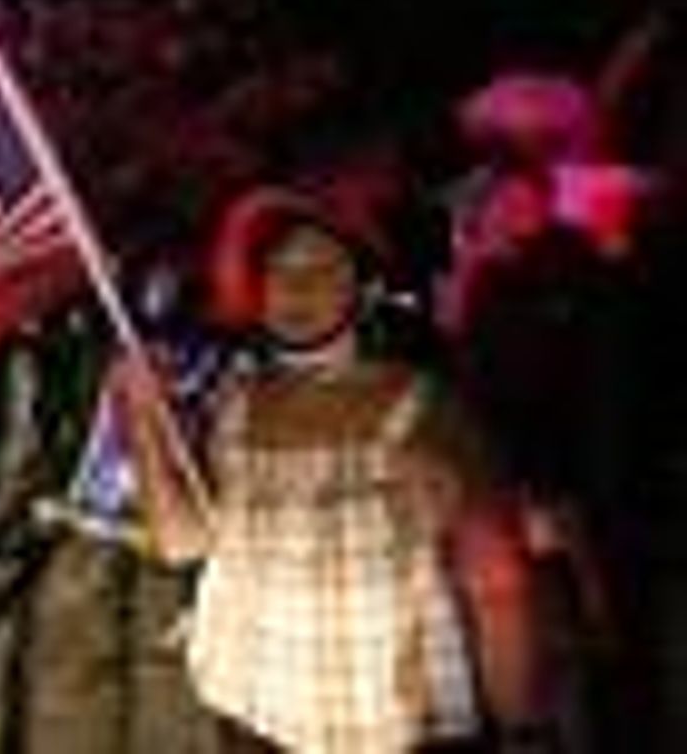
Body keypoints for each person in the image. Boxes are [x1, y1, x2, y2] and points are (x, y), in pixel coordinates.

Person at [112, 188, 495, 753]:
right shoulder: (233, 405)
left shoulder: (417, 403)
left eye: (322, 265)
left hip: (376, 727)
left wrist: (523, 724)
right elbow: (183, 543)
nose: (297, 286)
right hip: (250, 711)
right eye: (277, 270)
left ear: (365, 286)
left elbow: (498, 581)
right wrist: (141, 420)